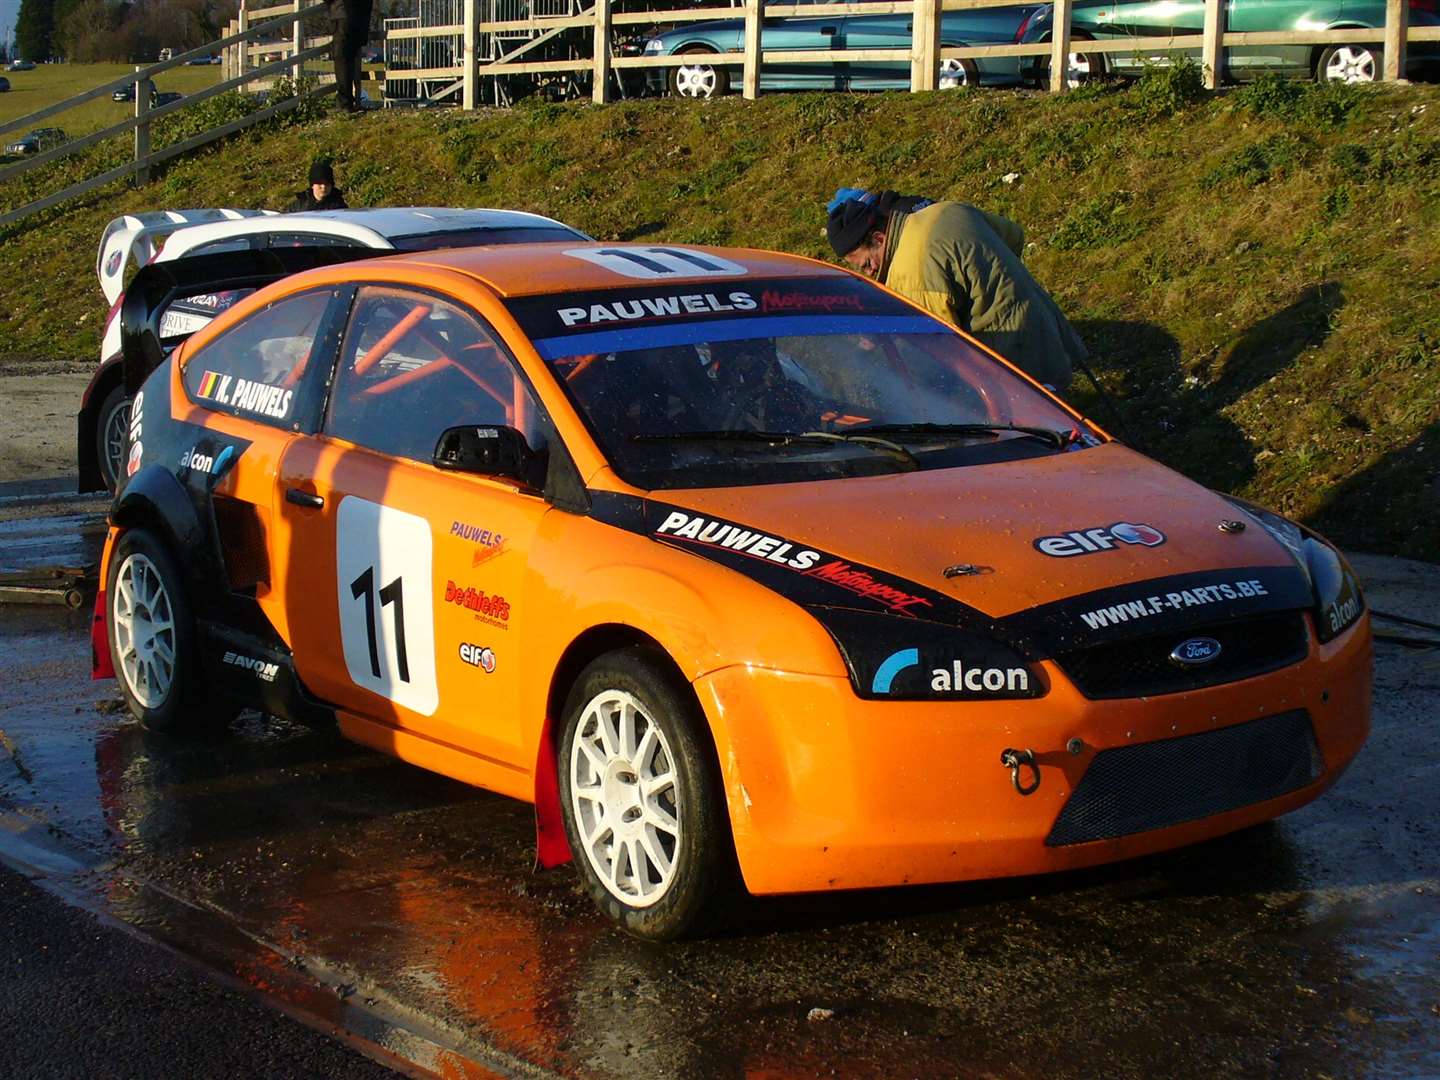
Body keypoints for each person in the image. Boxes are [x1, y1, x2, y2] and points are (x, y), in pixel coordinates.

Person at [825, 188, 1087, 390]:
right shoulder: (946, 211)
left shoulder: (911, 270)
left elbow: (941, 348)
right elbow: (1013, 236)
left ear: (879, 239)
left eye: (868, 262)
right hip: (1047, 329)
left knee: (1045, 442)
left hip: (1014, 363)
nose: (869, 272)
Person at [327, 0, 374, 112]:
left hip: (342, 13)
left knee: (342, 59)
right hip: (358, 18)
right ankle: (351, 101)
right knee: (350, 59)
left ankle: (345, 103)